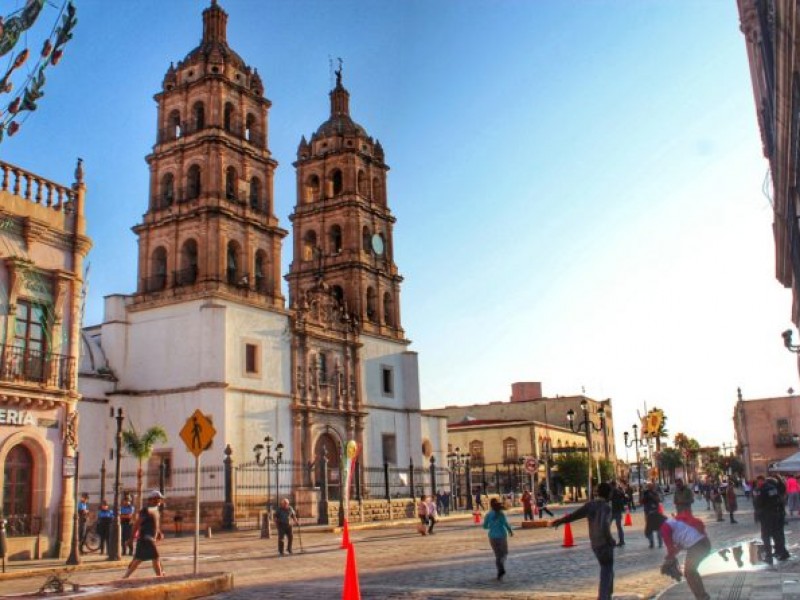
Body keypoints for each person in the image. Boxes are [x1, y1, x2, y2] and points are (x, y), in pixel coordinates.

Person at [552, 482, 615, 600]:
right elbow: (604, 525)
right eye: (611, 492)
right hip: (604, 543)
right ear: (608, 493)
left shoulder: (590, 505)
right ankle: (604, 597)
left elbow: (574, 515)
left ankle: (608, 595)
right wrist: (610, 539)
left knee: (607, 569)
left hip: (595, 543)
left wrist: (560, 521)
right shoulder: (606, 507)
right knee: (607, 570)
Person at [648, 511, 711, 600]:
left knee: (689, 573)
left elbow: (670, 549)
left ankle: (702, 597)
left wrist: (668, 560)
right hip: (703, 543)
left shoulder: (664, 528)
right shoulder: (671, 522)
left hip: (697, 545)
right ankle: (702, 596)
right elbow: (679, 545)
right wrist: (669, 557)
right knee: (691, 572)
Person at [123, 490, 165, 578]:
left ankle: (125, 577)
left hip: (147, 539)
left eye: (159, 499)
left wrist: (159, 532)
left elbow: (154, 524)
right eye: (155, 499)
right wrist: (131, 538)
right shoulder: (146, 510)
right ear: (150, 500)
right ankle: (160, 576)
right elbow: (137, 524)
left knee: (138, 559)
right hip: (146, 538)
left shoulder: (156, 510)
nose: (158, 501)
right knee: (155, 557)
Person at [753, 475, 789, 564]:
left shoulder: (761, 490)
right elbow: (780, 502)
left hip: (766, 515)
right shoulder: (776, 489)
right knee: (778, 534)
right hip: (778, 514)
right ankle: (782, 552)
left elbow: (757, 503)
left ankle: (769, 556)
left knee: (766, 536)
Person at [482, 497, 513, 580]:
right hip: (502, 536)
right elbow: (505, 524)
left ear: (490, 505)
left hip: (492, 537)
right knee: (504, 553)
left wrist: (491, 526)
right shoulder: (501, 514)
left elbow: (484, 526)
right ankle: (502, 565)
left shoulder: (488, 515)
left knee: (497, 555)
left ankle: (499, 572)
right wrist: (510, 530)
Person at [641, 482, 663, 549]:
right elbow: (641, 501)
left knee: (658, 529)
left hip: (655, 513)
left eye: (651, 486)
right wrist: (643, 495)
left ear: (653, 487)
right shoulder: (645, 493)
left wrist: (652, 496)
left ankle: (660, 543)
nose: (649, 487)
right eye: (648, 486)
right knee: (649, 529)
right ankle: (651, 543)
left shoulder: (655, 493)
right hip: (648, 513)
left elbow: (659, 500)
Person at [610, 481, 627, 546]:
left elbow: (608, 499)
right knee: (619, 527)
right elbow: (625, 497)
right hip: (618, 511)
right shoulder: (619, 491)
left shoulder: (612, 491)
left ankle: (609, 541)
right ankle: (622, 541)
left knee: (607, 526)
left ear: (612, 485)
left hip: (614, 511)